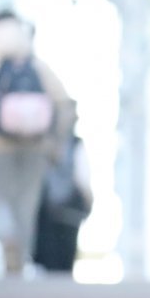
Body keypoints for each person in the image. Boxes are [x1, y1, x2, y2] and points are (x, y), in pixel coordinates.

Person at [0, 9, 72, 276]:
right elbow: (64, 103)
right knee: (26, 203)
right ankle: (19, 258)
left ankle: (8, 241)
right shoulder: (35, 63)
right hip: (35, 146)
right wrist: (55, 141)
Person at [33, 101, 93, 273]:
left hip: (48, 209)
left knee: (48, 262)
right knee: (65, 262)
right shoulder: (76, 144)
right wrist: (89, 200)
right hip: (69, 209)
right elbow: (82, 177)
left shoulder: (42, 141)